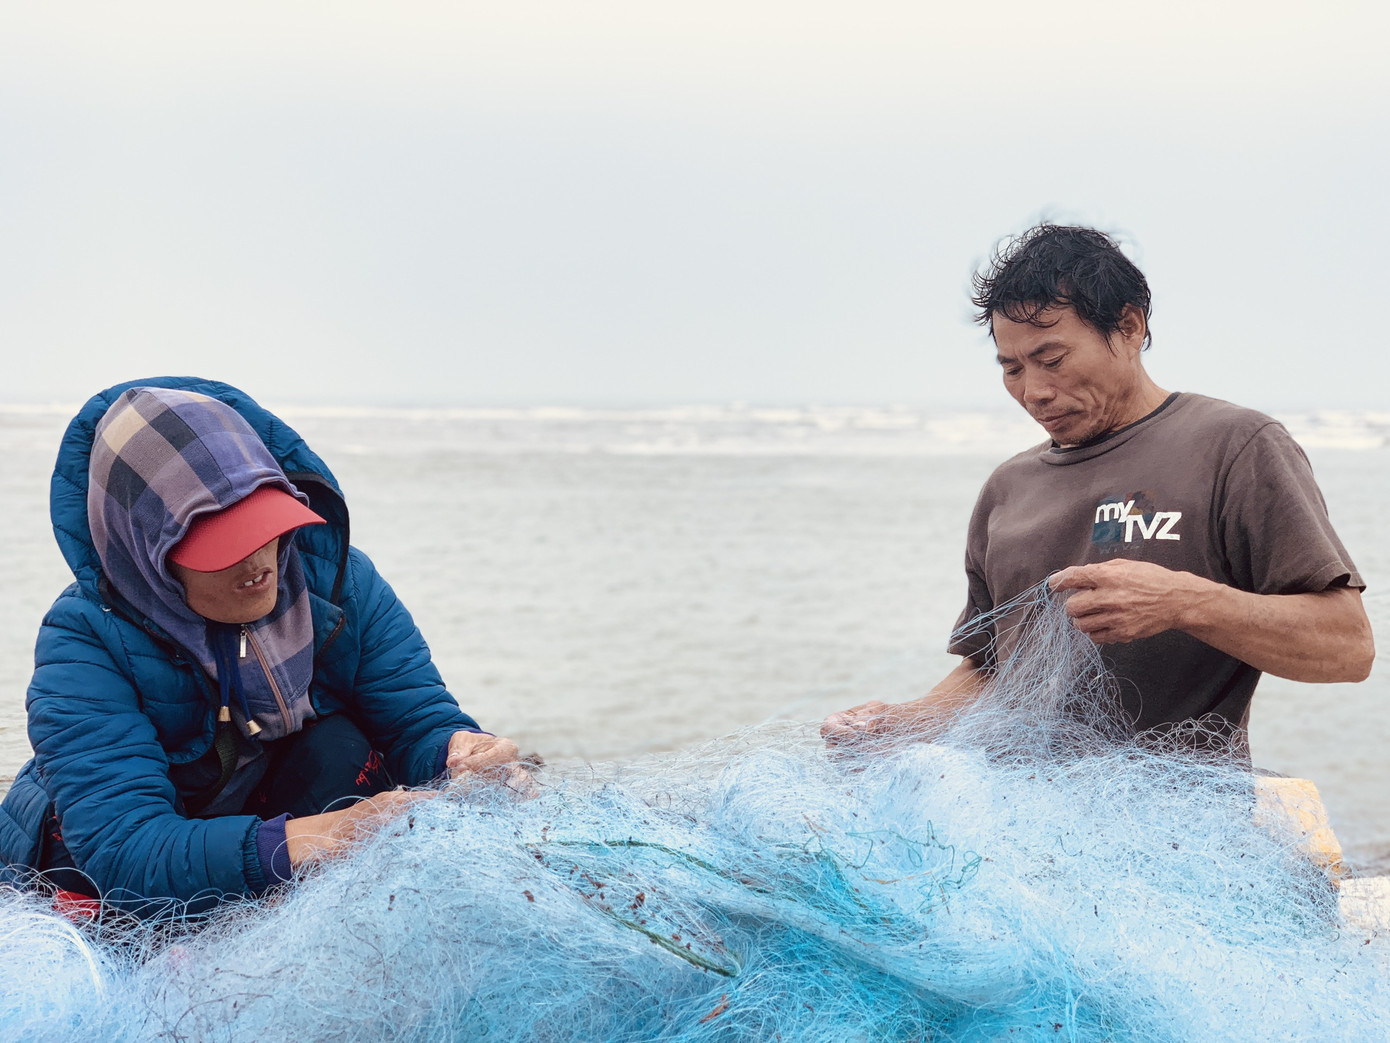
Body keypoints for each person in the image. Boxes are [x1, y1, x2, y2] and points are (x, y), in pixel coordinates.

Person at [823, 224, 1374, 751]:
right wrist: (902, 723)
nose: (1034, 391)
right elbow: (992, 669)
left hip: (1178, 825)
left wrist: (1184, 602)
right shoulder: (1007, 489)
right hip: (1012, 816)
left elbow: (1348, 648)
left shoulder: (1235, 447)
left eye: (1052, 359)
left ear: (1129, 327)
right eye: (1011, 368)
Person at [0, 378, 524, 915]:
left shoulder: (341, 584)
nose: (257, 563)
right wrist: (326, 836)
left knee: (341, 747)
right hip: (92, 865)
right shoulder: (85, 641)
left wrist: (460, 752)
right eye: (220, 544)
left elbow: (417, 721)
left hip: (260, 812)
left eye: (264, 525)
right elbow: (127, 850)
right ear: (148, 556)